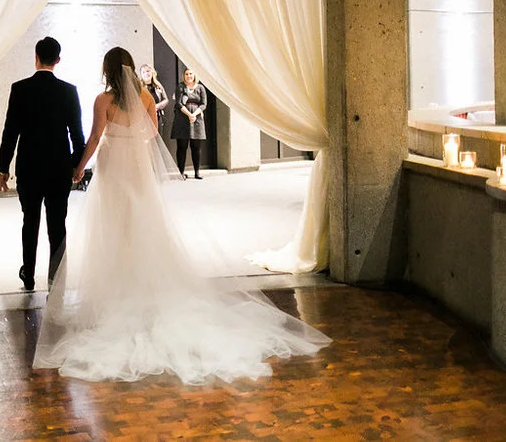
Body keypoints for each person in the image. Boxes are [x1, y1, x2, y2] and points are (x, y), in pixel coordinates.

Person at [32, 47, 330, 384]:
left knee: (114, 230)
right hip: (137, 170)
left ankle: (113, 298)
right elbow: (152, 134)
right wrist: (131, 141)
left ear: (107, 70)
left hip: (114, 171)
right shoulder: (144, 96)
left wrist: (80, 168)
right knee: (142, 226)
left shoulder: (103, 101)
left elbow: (96, 136)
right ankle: (143, 290)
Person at [0, 37, 85, 292]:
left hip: (29, 167)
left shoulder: (20, 89)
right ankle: (55, 278)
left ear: (35, 57)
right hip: (58, 168)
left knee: (30, 221)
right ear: (58, 60)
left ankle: (28, 274)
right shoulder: (69, 91)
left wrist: (3, 167)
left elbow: (10, 131)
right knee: (57, 224)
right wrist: (76, 165)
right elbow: (76, 135)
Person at [170, 67, 207, 179]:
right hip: (182, 119)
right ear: (184, 76)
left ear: (194, 75)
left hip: (197, 120)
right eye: (186, 74)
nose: (189, 76)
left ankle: (197, 172)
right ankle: (181, 172)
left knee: (196, 147)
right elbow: (178, 103)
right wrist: (189, 115)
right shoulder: (180, 87)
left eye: (191, 73)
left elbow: (203, 104)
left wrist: (194, 114)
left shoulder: (201, 88)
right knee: (182, 147)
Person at [138, 63, 169, 130]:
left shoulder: (158, 85)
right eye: (143, 72)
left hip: (157, 117)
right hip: (144, 119)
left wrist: (157, 106)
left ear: (152, 72)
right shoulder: (139, 87)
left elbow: (166, 100)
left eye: (148, 71)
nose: (146, 73)